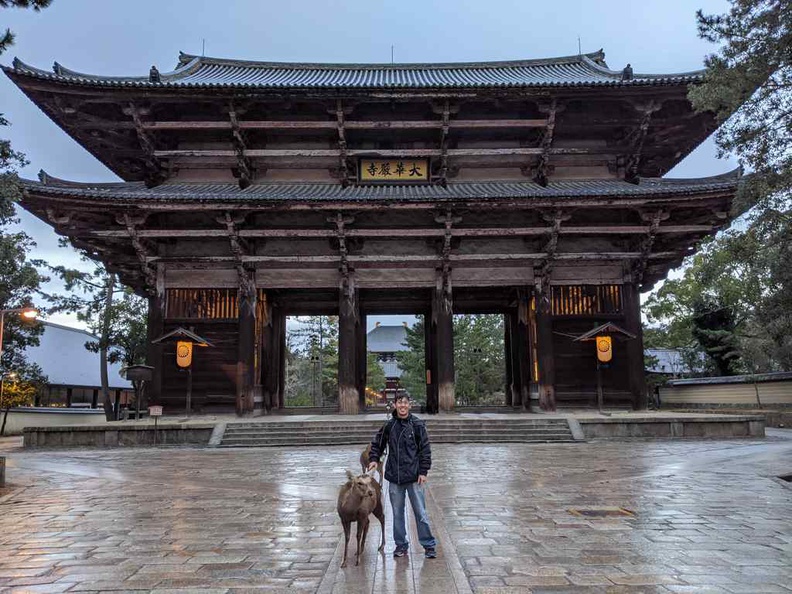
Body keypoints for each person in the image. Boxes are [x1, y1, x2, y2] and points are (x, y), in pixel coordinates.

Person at [367, 393, 437, 559]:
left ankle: (428, 545)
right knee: (397, 513)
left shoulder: (417, 425)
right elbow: (378, 443)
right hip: (395, 477)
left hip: (414, 477)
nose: (403, 406)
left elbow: (425, 450)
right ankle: (401, 545)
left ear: (409, 405)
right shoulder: (389, 426)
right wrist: (374, 460)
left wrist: (423, 471)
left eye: (405, 403)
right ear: (395, 405)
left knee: (420, 513)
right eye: (400, 403)